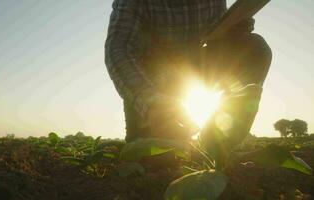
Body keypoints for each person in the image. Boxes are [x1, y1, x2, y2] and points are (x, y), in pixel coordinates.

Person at [105, 0, 272, 147]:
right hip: (151, 79)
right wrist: (152, 105)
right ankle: (151, 128)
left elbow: (217, 35)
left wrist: (233, 30)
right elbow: (118, 49)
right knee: (153, 154)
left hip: (195, 70)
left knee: (254, 49)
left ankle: (218, 142)